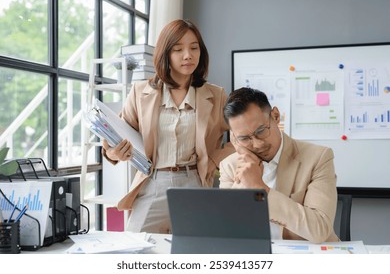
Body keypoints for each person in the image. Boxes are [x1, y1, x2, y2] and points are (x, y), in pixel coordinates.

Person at [102, 19, 234, 233]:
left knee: (195, 255)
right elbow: (115, 134)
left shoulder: (216, 95)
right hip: (153, 182)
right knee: (135, 251)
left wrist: (214, 162)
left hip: (195, 183)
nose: (188, 55)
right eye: (178, 49)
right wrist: (114, 153)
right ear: (165, 54)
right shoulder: (140, 92)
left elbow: (241, 136)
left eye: (194, 48)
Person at [219, 87, 339, 243]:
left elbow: (319, 229)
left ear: (275, 116)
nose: (257, 144)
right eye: (244, 138)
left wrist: (261, 189)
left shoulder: (318, 157)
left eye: (261, 131)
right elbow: (227, 229)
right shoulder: (229, 166)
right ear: (234, 138)